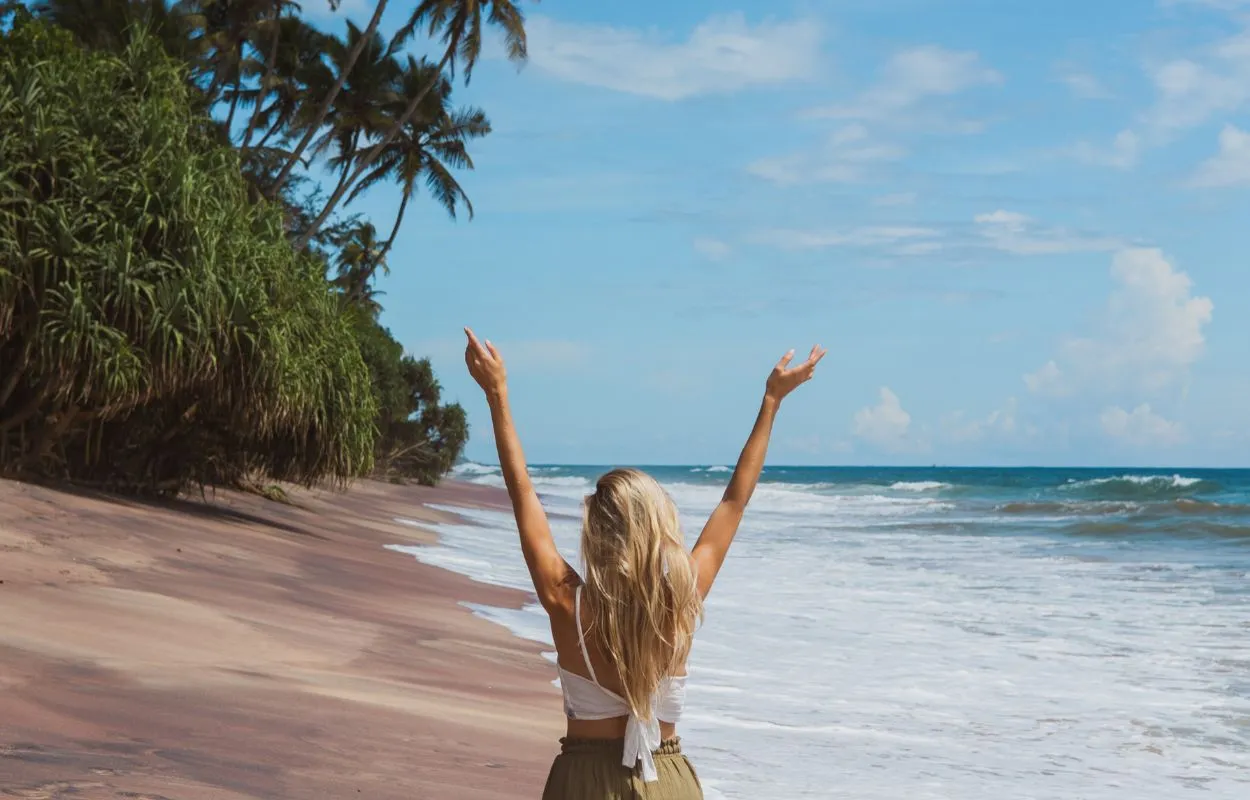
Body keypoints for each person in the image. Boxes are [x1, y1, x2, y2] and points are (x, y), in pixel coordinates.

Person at [463, 328, 826, 799]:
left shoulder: (567, 603)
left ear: (598, 535)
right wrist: (772, 401)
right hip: (668, 781)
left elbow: (522, 492)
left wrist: (497, 394)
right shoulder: (684, 596)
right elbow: (735, 501)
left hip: (584, 782)